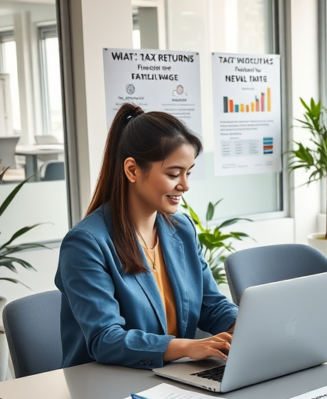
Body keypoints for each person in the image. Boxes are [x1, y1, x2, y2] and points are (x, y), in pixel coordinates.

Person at [56, 103, 237, 369]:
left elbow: (211, 306)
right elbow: (105, 339)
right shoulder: (86, 243)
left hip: (170, 376)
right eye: (173, 174)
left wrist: (245, 326)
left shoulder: (181, 230)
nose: (185, 185)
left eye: (188, 173)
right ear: (132, 170)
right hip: (106, 383)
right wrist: (187, 347)